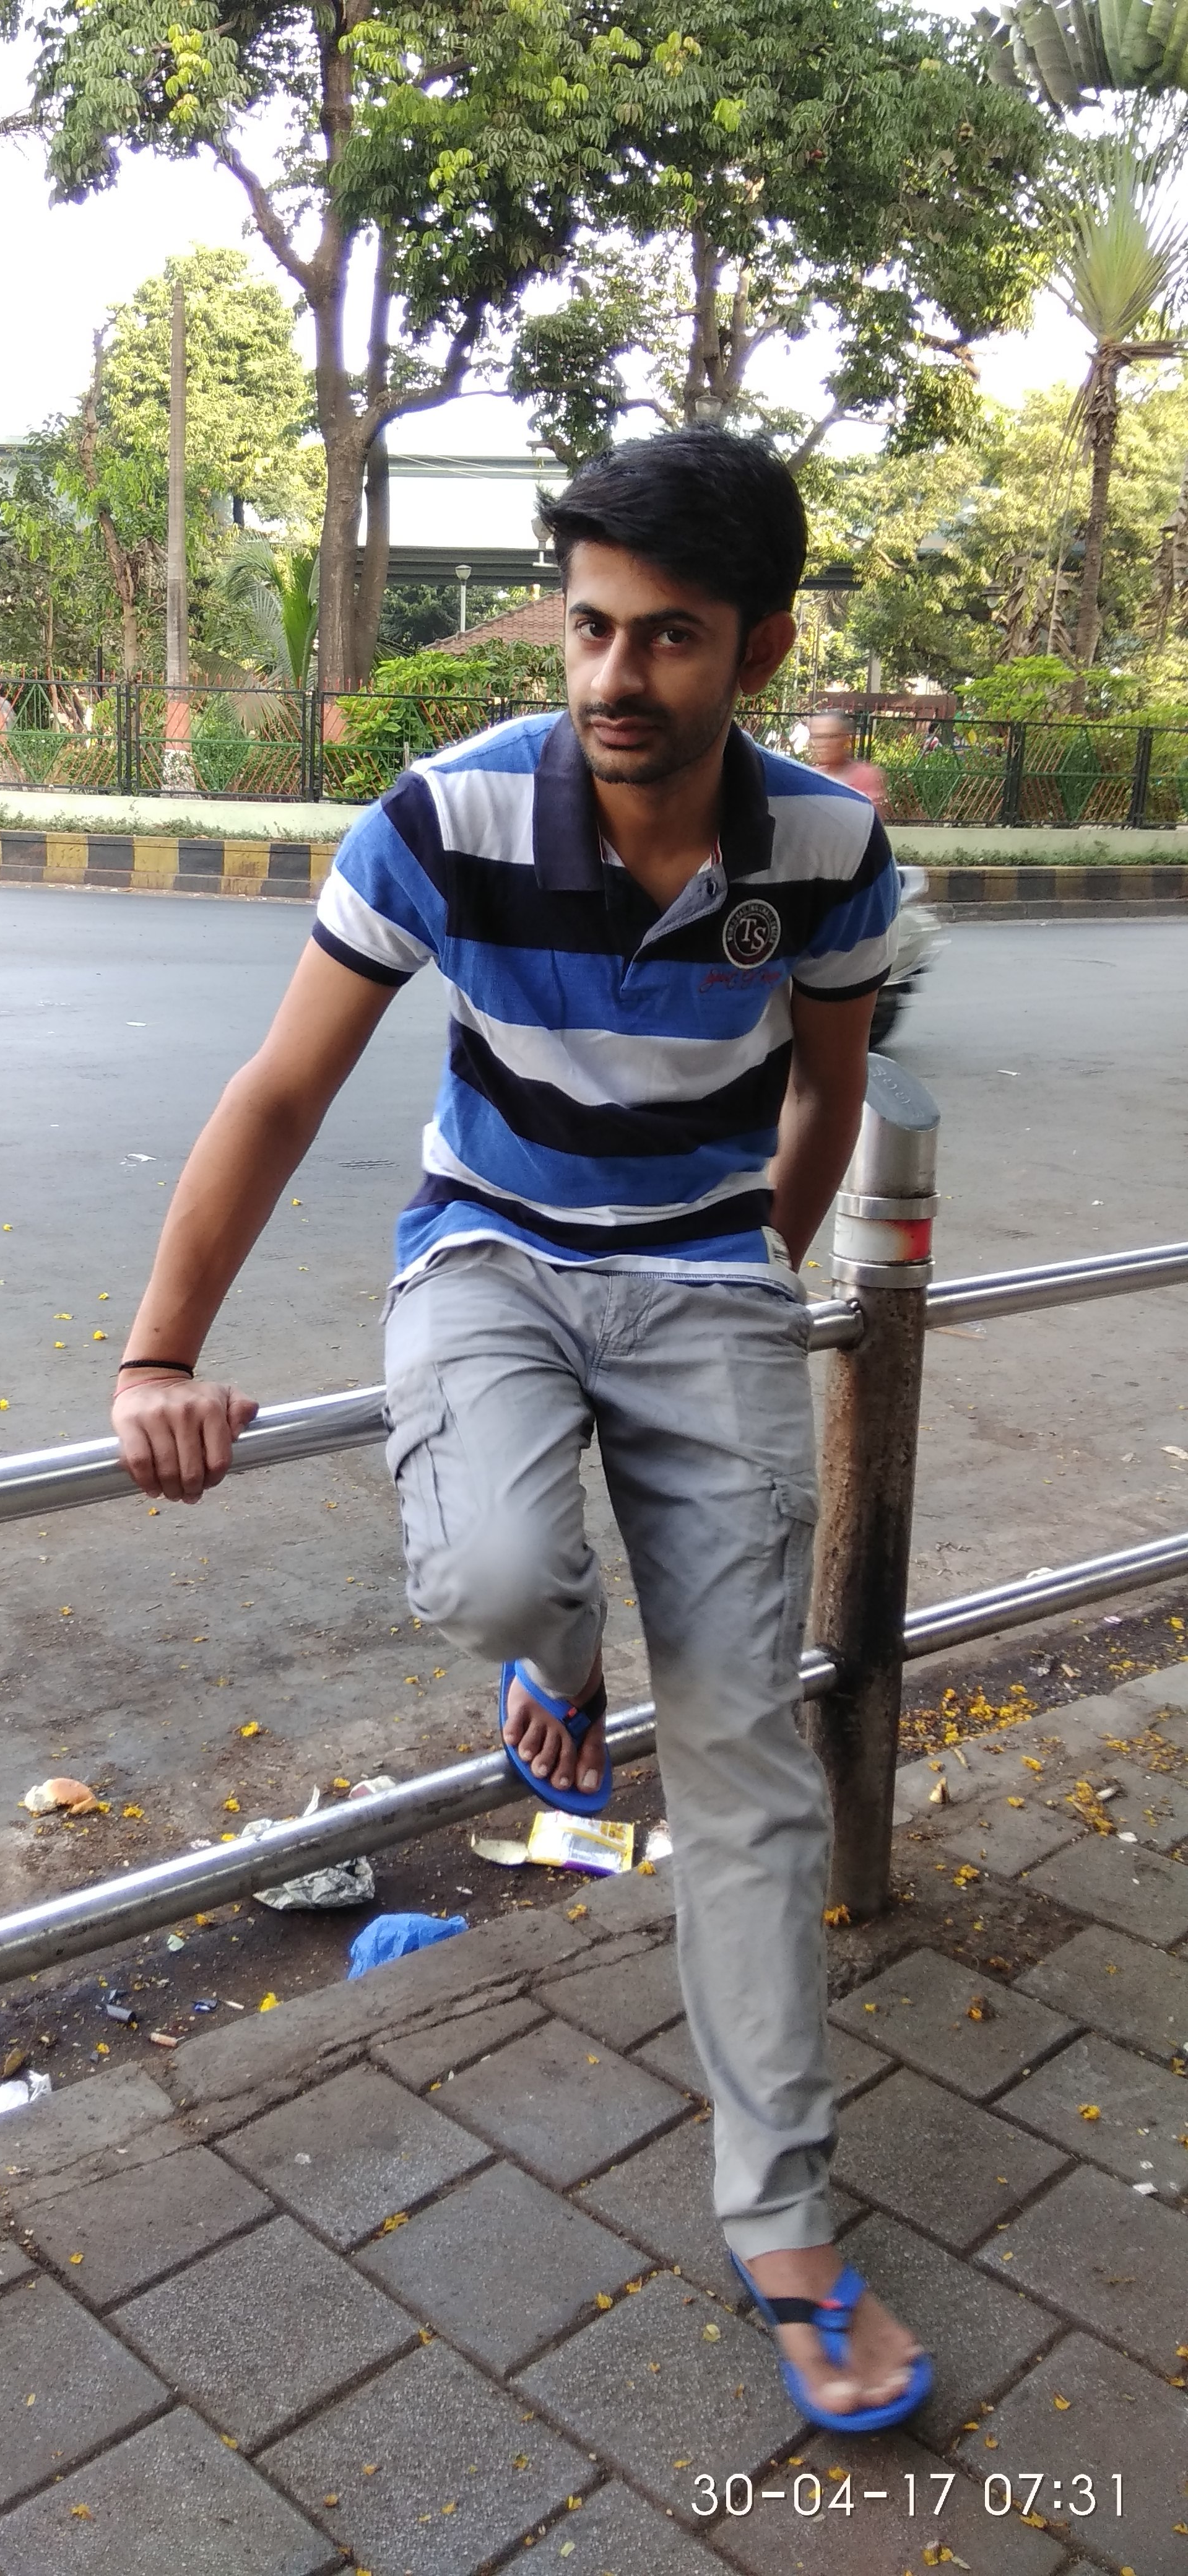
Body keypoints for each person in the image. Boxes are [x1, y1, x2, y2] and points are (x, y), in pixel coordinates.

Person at [111, 427, 930, 2432]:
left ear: (758, 648)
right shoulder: (449, 813)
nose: (613, 675)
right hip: (488, 1255)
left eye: (668, 637)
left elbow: (825, 1095)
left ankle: (785, 2225)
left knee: (743, 1765)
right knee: (495, 1570)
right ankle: (551, 1664)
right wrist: (156, 1355)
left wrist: (751, 1279)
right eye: (588, 627)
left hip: (705, 1287)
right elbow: (284, 1090)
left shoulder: (823, 850)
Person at [805, 710, 889, 816]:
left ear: (845, 738)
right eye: (817, 737)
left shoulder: (866, 777)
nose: (823, 744)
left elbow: (869, 818)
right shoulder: (810, 776)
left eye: (831, 736)